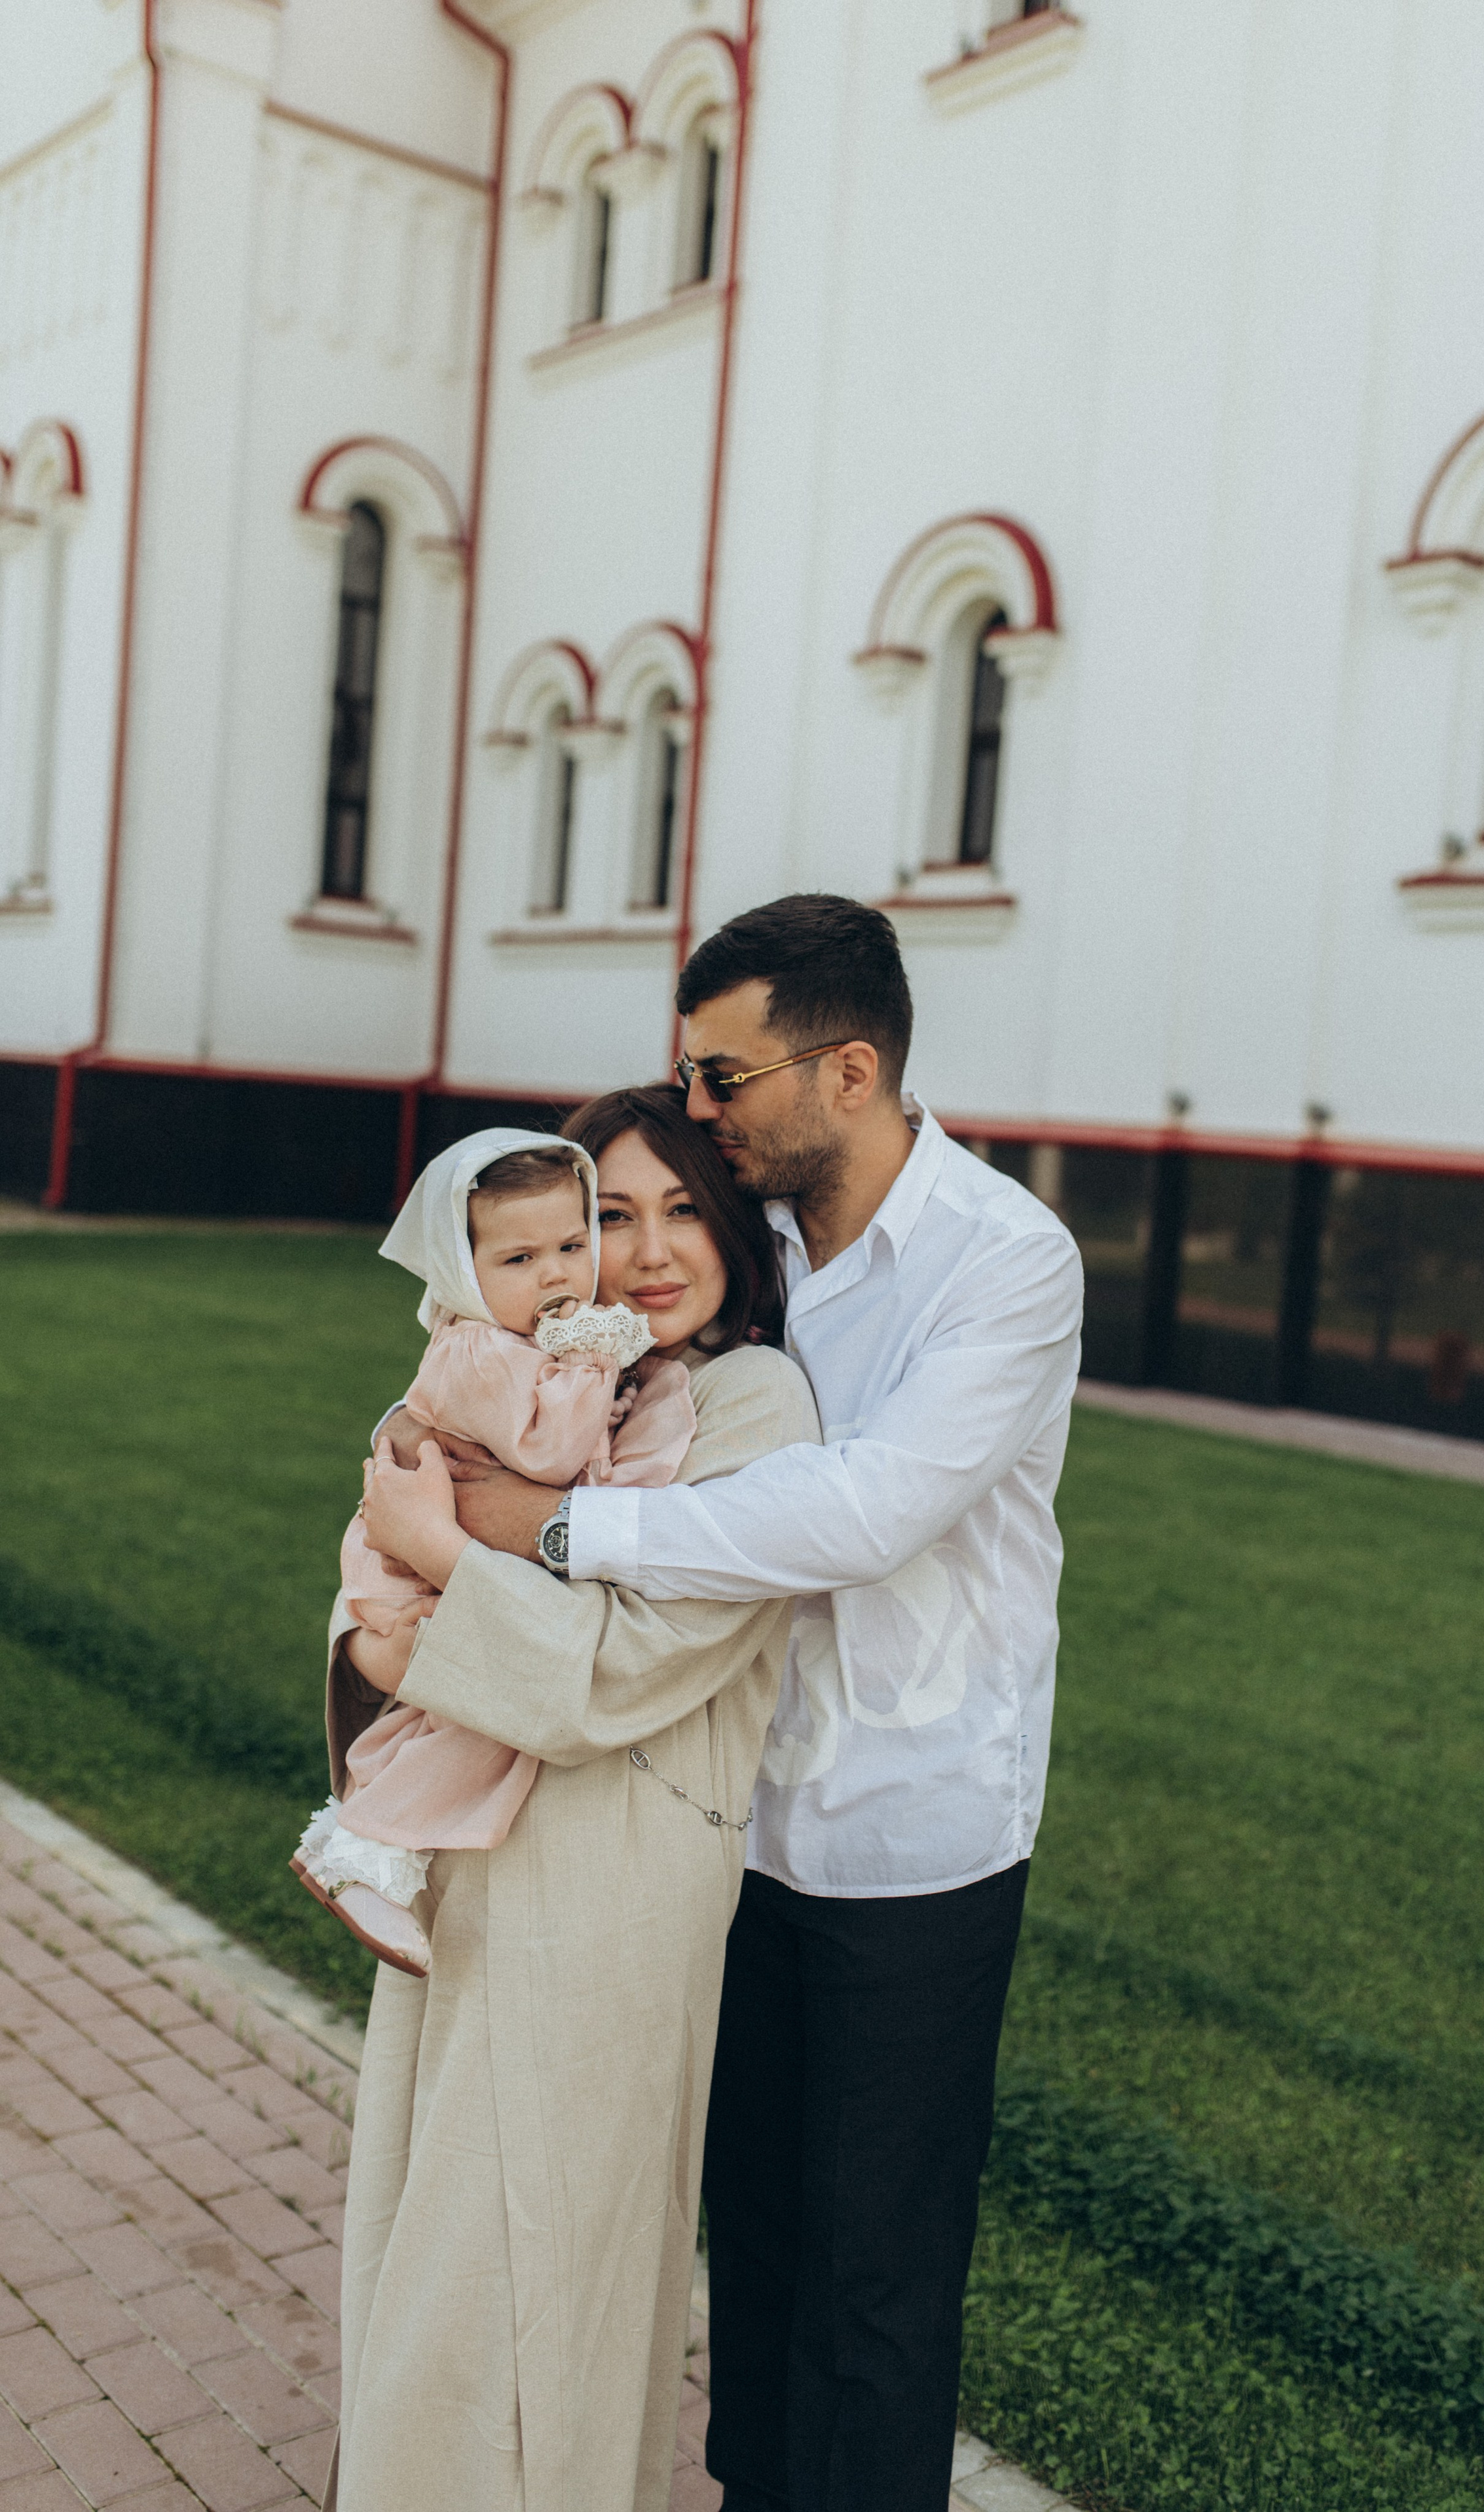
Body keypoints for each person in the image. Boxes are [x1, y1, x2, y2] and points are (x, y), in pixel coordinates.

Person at [418, 895, 1085, 2512]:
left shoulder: (1006, 1261)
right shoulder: (748, 1243)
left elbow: (857, 1512)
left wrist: (558, 1530)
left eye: (722, 1076)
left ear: (844, 1070)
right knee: (759, 2251)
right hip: (732, 1829)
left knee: (871, 2288)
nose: (698, 1109)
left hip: (907, 1838)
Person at [323, 1087, 819, 2512]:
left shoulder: (748, 1403)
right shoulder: (520, 1373)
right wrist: (380, 1619)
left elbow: (629, 1664)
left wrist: (448, 1551)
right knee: (431, 2236)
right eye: (608, 1216)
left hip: (615, 1880)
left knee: (535, 2274)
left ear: (734, 1229)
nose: (647, 1251)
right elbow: (376, 1581)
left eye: (683, 1211)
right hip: (475, 1860)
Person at [294, 1128, 697, 1979]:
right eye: (519, 1260)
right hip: (415, 1562)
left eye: (572, 1245)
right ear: (463, 1273)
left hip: (447, 1553)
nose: (555, 1275)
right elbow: (547, 1455)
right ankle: (366, 1847)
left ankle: (369, 1832)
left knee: (463, 1710)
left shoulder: (518, 1342)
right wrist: (597, 1359)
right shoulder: (480, 1346)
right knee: (493, 1711)